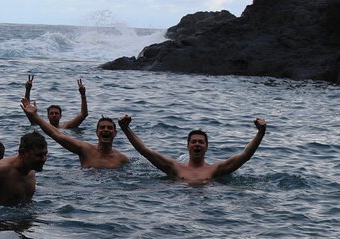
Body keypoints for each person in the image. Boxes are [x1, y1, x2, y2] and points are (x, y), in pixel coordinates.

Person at [118, 115, 267, 183]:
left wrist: (260, 132)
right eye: (194, 142)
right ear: (187, 146)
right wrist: (126, 128)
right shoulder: (174, 167)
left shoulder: (215, 170)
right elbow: (145, 151)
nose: (197, 144)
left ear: (206, 147)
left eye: (201, 142)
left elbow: (246, 155)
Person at [20, 98, 129, 169]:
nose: (106, 130)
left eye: (109, 128)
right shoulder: (85, 149)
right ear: (96, 133)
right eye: (102, 127)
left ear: (115, 133)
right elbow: (57, 135)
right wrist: (36, 116)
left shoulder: (122, 159)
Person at [24, 75, 88, 129]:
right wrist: (27, 90)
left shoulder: (66, 127)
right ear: (48, 116)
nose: (54, 115)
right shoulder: (42, 126)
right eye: (51, 113)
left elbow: (84, 114)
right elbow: (28, 109)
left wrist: (83, 95)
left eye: (56, 113)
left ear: (61, 116)